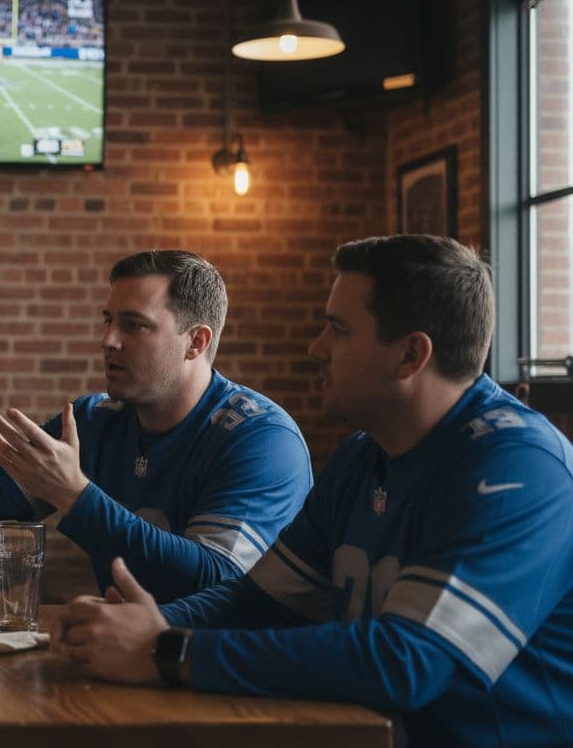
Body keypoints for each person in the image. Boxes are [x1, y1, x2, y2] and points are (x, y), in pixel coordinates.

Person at [54, 235, 573, 747]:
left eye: (337, 330)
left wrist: (168, 651)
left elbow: (407, 660)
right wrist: (140, 626)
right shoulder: (360, 455)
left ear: (410, 355)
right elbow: (259, 602)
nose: (315, 348)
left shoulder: (519, 465)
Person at [0, 250, 312, 603]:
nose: (109, 340)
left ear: (195, 342)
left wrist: (75, 495)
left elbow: (215, 582)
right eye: (109, 320)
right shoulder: (98, 420)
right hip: (121, 657)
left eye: (135, 325)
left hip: (223, 685)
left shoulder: (261, 439)